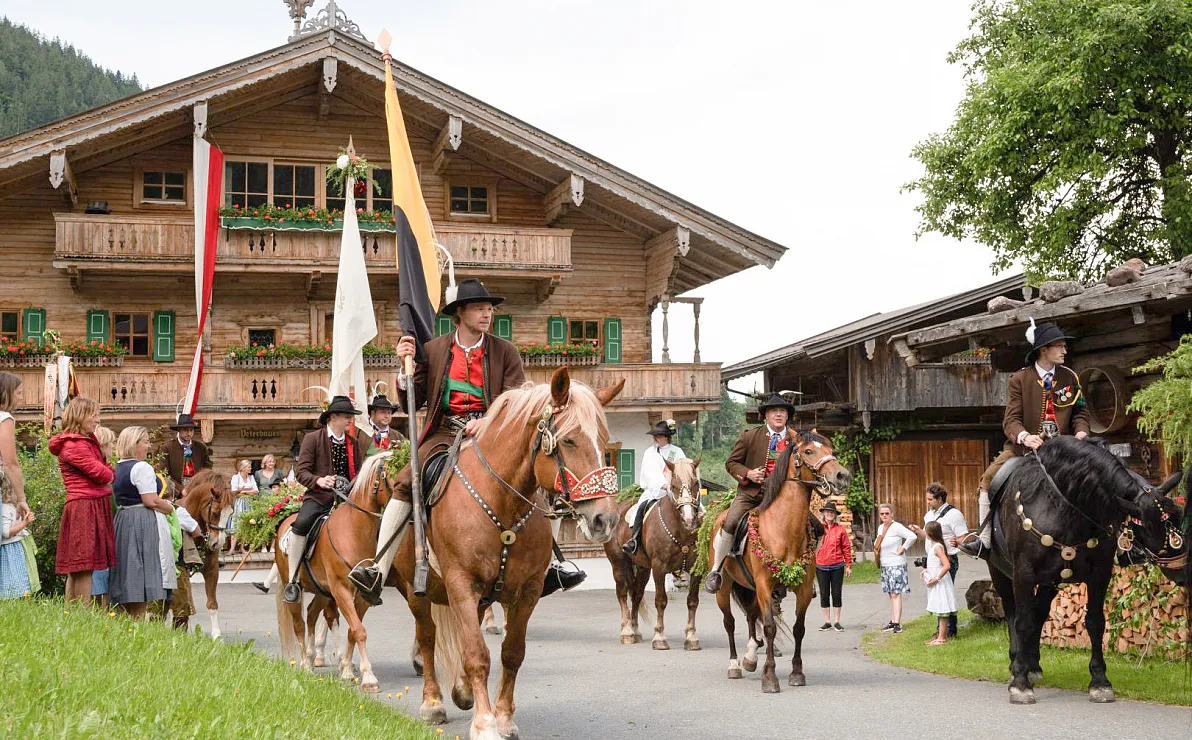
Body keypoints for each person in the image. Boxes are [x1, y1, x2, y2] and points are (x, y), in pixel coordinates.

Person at [354, 278, 584, 602]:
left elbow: (516, 399)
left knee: (536, 478)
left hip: (494, 433)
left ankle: (550, 565)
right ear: (460, 313)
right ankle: (379, 567)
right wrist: (403, 372)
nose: (487, 314)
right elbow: (414, 398)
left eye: (489, 309)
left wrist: (488, 421)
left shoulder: (506, 351)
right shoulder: (433, 349)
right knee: (406, 482)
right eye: (479, 308)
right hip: (444, 432)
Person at [961, 320, 1089, 559]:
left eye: (1064, 346)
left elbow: (1080, 412)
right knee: (988, 479)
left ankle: (1118, 541)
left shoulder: (1070, 377)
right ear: (1044, 350)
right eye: (1060, 346)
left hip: (1065, 449)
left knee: (1100, 476)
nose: (1065, 351)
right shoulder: (1019, 379)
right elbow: (1011, 420)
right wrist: (1026, 437)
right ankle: (984, 541)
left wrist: (1081, 432)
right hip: (1023, 450)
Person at [704, 393, 797, 594]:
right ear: (766, 415)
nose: (778, 415)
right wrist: (748, 473)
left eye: (782, 411)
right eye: (774, 411)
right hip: (752, 494)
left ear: (787, 415)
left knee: (815, 526)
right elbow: (731, 463)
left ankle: (805, 575)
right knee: (730, 522)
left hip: (784, 497)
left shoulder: (796, 439)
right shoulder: (750, 436)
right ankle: (716, 570)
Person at [282, 395, 366, 604]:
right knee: (301, 524)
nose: (350, 420)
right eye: (347, 416)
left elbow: (360, 473)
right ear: (333, 417)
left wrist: (352, 485)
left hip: (348, 499)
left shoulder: (353, 443)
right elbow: (301, 472)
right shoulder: (312, 439)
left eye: (351, 416)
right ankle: (293, 580)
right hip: (319, 497)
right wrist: (319, 480)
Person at [50, 397, 115, 606]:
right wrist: (108, 472)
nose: (97, 420)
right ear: (80, 416)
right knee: (84, 564)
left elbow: (105, 470)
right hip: (84, 506)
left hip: (87, 504)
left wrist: (107, 471)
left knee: (80, 567)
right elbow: (104, 474)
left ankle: (72, 613)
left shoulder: (81, 442)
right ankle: (81, 613)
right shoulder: (75, 445)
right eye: (93, 415)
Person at [108, 426, 174, 619]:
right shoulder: (141, 467)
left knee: (128, 569)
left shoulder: (118, 467)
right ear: (134, 443)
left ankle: (127, 619)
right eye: (145, 442)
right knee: (140, 570)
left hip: (123, 520)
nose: (148, 446)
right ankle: (137, 619)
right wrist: (170, 508)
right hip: (140, 521)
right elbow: (150, 500)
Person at [909, 483, 967, 637]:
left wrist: (958, 542)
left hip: (947, 559)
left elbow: (963, 537)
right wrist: (918, 531)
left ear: (940, 499)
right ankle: (942, 630)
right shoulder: (929, 515)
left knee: (945, 594)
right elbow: (928, 537)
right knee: (936, 595)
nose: (927, 502)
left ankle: (949, 630)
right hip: (932, 559)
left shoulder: (954, 514)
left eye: (930, 499)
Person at [623, 419, 685, 555]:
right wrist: (663, 485)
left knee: (692, 507)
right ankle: (634, 539)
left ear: (666, 437)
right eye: (655, 436)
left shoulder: (677, 452)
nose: (656, 438)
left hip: (675, 491)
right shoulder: (649, 453)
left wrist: (675, 485)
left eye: (659, 435)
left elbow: (683, 470)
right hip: (655, 491)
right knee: (640, 509)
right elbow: (649, 473)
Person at [874, 503, 916, 633]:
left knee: (896, 593)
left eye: (887, 513)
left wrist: (903, 547)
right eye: (882, 513)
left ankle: (897, 623)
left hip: (896, 564)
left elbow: (912, 536)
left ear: (892, 514)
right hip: (885, 564)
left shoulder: (897, 527)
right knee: (890, 593)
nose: (884, 516)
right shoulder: (881, 528)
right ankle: (892, 621)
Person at [89, 425, 117, 608]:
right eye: (111, 443)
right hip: (100, 529)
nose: (113, 447)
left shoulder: (103, 470)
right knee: (100, 578)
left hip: (102, 528)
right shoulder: (100, 473)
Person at [815, 502, 852, 632]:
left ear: (835, 514)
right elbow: (812, 544)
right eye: (827, 512)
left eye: (832, 512)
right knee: (824, 594)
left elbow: (846, 547)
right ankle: (827, 622)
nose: (829, 514)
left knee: (836, 593)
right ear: (824, 513)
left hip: (837, 566)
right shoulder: (818, 529)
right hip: (821, 566)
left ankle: (836, 621)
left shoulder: (840, 529)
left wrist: (848, 565)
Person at [0, 373, 30, 527]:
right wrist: (21, 499)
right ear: (6, 394)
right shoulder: (4, 418)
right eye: (18, 393)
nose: (21, 398)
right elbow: (10, 464)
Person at [0, 466, 35, 599]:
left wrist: (20, 511)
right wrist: (24, 524)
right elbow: (6, 532)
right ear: (10, 492)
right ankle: (11, 596)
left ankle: (19, 596)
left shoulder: (10, 507)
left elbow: (13, 520)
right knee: (11, 575)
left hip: (14, 548)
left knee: (18, 574)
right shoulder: (5, 509)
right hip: (9, 549)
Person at [921, 520, 956, 646]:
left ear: (929, 533)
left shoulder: (938, 547)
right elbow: (936, 564)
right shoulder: (933, 547)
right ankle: (940, 636)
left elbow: (946, 565)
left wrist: (937, 577)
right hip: (935, 583)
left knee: (943, 609)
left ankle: (942, 638)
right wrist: (926, 570)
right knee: (939, 608)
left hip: (941, 583)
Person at [161, 413, 212, 490]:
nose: (189, 433)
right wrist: (181, 489)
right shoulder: (167, 448)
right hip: (175, 491)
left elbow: (207, 469)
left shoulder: (201, 447)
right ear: (179, 430)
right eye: (185, 430)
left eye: (191, 430)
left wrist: (199, 486)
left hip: (197, 489)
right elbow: (164, 473)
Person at [228, 460, 258, 554]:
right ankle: (232, 548)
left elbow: (256, 491)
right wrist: (249, 491)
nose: (250, 468)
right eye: (248, 467)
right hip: (239, 503)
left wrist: (243, 491)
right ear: (243, 468)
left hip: (249, 503)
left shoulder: (251, 477)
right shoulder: (236, 477)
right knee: (236, 524)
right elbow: (234, 492)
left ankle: (242, 547)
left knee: (246, 524)